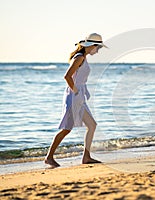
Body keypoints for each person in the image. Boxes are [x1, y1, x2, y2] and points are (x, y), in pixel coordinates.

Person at [45, 33, 107, 168]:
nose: (98, 51)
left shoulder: (83, 57)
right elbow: (67, 76)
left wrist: (82, 92)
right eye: (98, 48)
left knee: (92, 125)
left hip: (79, 97)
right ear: (92, 46)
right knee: (67, 128)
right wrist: (76, 91)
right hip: (74, 97)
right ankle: (49, 157)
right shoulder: (79, 58)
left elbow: (78, 78)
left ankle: (86, 157)